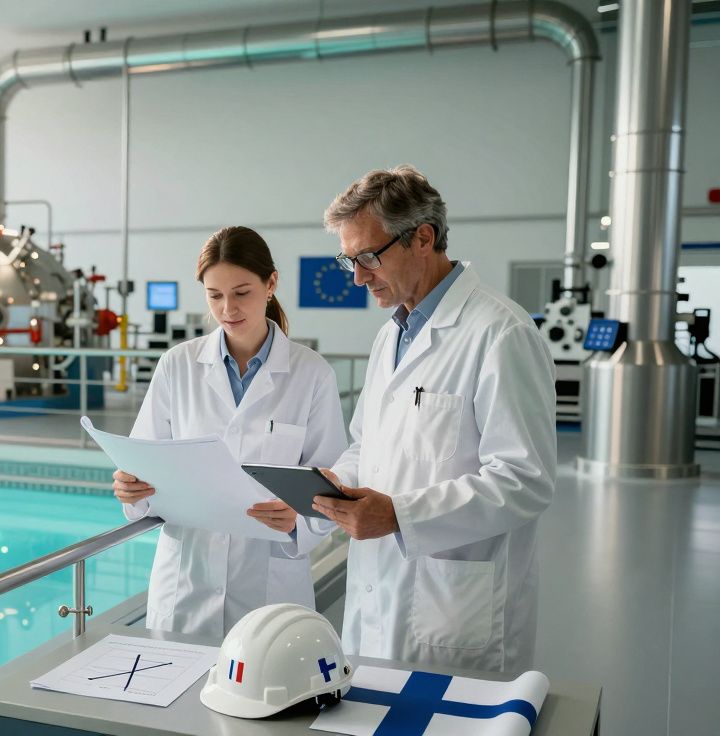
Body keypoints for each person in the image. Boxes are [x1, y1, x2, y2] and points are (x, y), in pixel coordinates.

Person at [312, 165, 556, 672]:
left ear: (423, 239)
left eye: (368, 257)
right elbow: (365, 443)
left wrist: (400, 515)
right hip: (377, 593)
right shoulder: (391, 335)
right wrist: (337, 482)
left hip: (455, 607)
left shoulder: (501, 333)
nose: (358, 277)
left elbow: (525, 480)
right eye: (349, 260)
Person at [112, 226, 347, 638]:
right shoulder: (177, 366)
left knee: (266, 674)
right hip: (187, 583)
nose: (227, 309)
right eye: (214, 295)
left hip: (270, 586)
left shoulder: (311, 373)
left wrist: (297, 519)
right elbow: (145, 461)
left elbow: (331, 484)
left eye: (241, 293)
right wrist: (132, 489)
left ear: (270, 284)